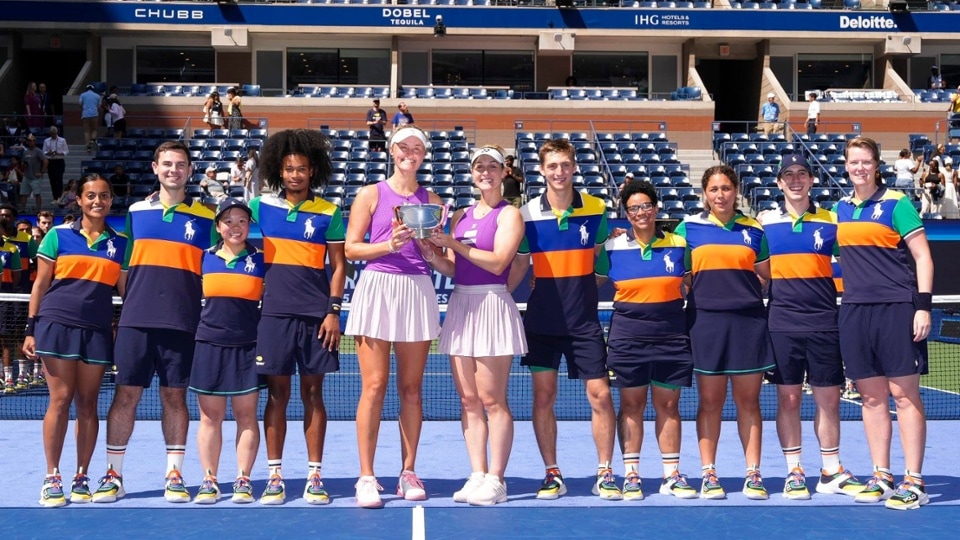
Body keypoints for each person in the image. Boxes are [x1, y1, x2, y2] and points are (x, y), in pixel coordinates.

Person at [93, 141, 217, 504]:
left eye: (180, 164)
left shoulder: (209, 218)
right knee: (126, 395)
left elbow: (214, 269)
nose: (173, 170)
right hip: (136, 321)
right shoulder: (135, 211)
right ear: (154, 168)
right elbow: (126, 268)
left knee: (174, 397)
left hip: (183, 322)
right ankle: (114, 474)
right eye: (167, 164)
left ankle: (174, 474)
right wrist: (130, 306)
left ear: (190, 171)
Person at [511, 138, 619, 501]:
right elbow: (520, 264)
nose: (559, 172)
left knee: (600, 395)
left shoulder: (596, 208)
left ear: (574, 167)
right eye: (552, 166)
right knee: (544, 397)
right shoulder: (526, 215)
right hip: (542, 320)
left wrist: (588, 285)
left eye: (565, 165)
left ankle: (604, 472)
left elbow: (601, 259)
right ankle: (552, 473)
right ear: (541, 170)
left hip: (584, 322)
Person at [419, 145, 526, 506]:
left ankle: (497, 479)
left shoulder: (510, 215)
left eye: (492, 167)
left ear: (502, 173)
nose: (485, 172)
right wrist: (432, 254)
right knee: (468, 400)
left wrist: (452, 244)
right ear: (472, 173)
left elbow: (498, 263)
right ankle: (477, 473)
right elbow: (453, 268)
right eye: (479, 166)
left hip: (493, 302)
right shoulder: (460, 215)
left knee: (493, 399)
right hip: (461, 302)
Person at [344, 125, 443, 509]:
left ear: (424, 155)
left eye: (418, 147)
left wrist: (427, 247)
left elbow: (441, 257)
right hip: (378, 287)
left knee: (411, 389)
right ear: (392, 150)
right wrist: (389, 244)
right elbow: (352, 249)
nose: (410, 153)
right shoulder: (371, 194)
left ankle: (408, 471)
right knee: (374, 386)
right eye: (404, 146)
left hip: (417, 289)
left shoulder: (432, 199)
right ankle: (366, 477)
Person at [835, 136, 934, 510]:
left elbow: (923, 257)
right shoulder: (840, 208)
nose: (859, 168)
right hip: (855, 311)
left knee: (904, 396)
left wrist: (922, 307)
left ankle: (915, 480)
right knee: (872, 397)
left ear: (876, 164)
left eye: (865, 161)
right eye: (853, 162)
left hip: (896, 309)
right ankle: (882, 475)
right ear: (846, 166)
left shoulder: (897, 204)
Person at [758, 154, 865, 501]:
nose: (795, 180)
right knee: (788, 399)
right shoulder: (763, 223)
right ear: (778, 183)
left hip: (823, 322)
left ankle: (830, 470)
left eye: (801, 173)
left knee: (829, 399)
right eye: (787, 175)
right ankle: (794, 472)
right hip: (781, 323)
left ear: (812, 180)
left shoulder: (831, 220)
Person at [249, 129, 346, 506]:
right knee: (276, 395)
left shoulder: (330, 212)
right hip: (271, 316)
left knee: (313, 394)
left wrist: (333, 311)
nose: (295, 175)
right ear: (279, 170)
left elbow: (338, 267)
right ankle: (274, 476)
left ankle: (314, 475)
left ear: (313, 171)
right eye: (289, 168)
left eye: (302, 169)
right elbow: (225, 226)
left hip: (315, 317)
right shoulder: (259, 207)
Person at [674, 165, 774, 500]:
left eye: (727, 188)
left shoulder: (754, 229)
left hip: (748, 325)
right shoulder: (688, 228)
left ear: (736, 191)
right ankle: (709, 473)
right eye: (714, 189)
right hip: (705, 325)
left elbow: (767, 274)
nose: (721, 195)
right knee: (710, 401)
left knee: (749, 401)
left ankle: (753, 473)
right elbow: (680, 275)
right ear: (705, 193)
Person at [24, 173, 125, 507]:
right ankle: (52, 477)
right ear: (79, 200)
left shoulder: (120, 243)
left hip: (96, 330)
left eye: (105, 196)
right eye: (91, 196)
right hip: (56, 323)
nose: (98, 201)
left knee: (87, 403)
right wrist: (30, 327)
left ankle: (81, 476)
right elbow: (40, 284)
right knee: (61, 398)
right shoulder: (57, 235)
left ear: (112, 200)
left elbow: (126, 293)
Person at [595, 180, 698, 501]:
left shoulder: (680, 245)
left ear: (656, 208)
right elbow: (592, 283)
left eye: (646, 206)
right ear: (625, 214)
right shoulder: (611, 249)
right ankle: (632, 474)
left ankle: (671, 475)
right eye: (633, 208)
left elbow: (690, 286)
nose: (640, 212)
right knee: (631, 405)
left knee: (669, 405)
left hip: (671, 335)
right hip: (628, 338)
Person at [189, 198, 265, 505]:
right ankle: (209, 479)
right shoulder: (202, 258)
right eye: (228, 221)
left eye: (242, 221)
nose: (235, 227)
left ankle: (243, 479)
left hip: (248, 346)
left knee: (247, 416)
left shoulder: (262, 260)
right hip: (209, 345)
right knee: (210, 418)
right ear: (218, 226)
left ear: (250, 225)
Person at [0, 205, 23, 394]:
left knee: (6, 336)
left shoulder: (12, 249)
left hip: (5, 296)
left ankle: (8, 378)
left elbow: (16, 277)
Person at [19, 135, 46, 213]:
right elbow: (22, 162)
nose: (30, 142)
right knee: (23, 193)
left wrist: (42, 172)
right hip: (27, 175)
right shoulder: (26, 151)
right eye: (29, 141)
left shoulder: (38, 151)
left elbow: (45, 161)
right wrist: (23, 165)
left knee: (37, 193)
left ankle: (38, 209)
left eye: (32, 141)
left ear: (34, 141)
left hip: (35, 177)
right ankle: (23, 209)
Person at [42, 127, 69, 202]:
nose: (53, 135)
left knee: (59, 179)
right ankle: (55, 197)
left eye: (54, 134)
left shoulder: (62, 140)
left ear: (57, 133)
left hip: (59, 160)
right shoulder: (46, 141)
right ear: (50, 133)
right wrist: (48, 153)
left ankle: (60, 197)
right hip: (50, 161)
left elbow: (66, 151)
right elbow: (43, 151)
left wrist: (60, 153)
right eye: (52, 134)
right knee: (52, 180)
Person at [79, 84, 101, 153]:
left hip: (85, 114)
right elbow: (99, 106)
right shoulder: (97, 96)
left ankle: (88, 145)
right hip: (94, 114)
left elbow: (79, 103)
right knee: (94, 129)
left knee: (86, 131)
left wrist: (83, 109)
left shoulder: (82, 95)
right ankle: (92, 140)